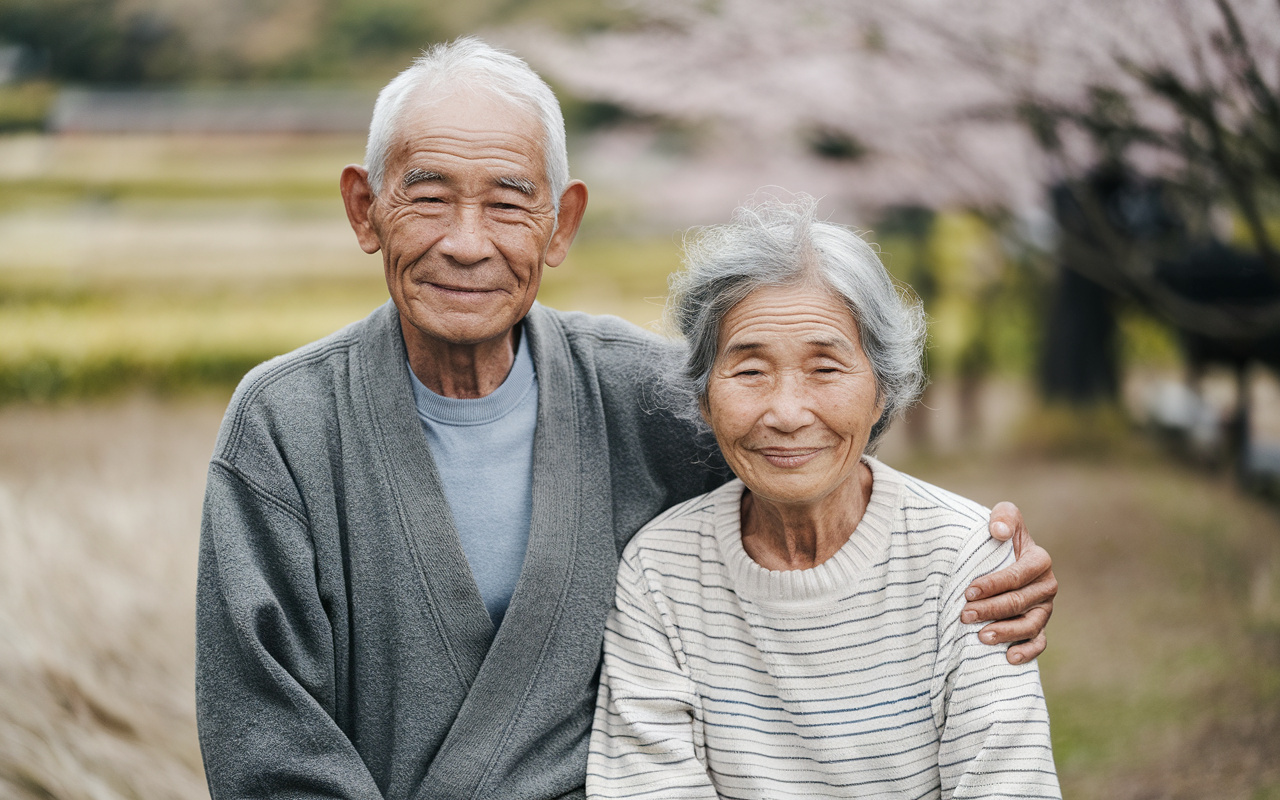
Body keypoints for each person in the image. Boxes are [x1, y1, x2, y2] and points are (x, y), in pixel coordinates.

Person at [195, 37, 1057, 799]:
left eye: (506, 201)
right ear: (364, 209)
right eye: (428, 198)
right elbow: (267, 745)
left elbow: (809, 467)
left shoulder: (647, 393)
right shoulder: (285, 427)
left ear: (560, 223)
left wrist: (981, 568)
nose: (467, 241)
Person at [588, 196, 1060, 799]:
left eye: (826, 369)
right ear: (704, 398)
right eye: (750, 371)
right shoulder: (661, 569)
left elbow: (1005, 785)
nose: (786, 414)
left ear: (881, 391)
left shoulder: (966, 560)